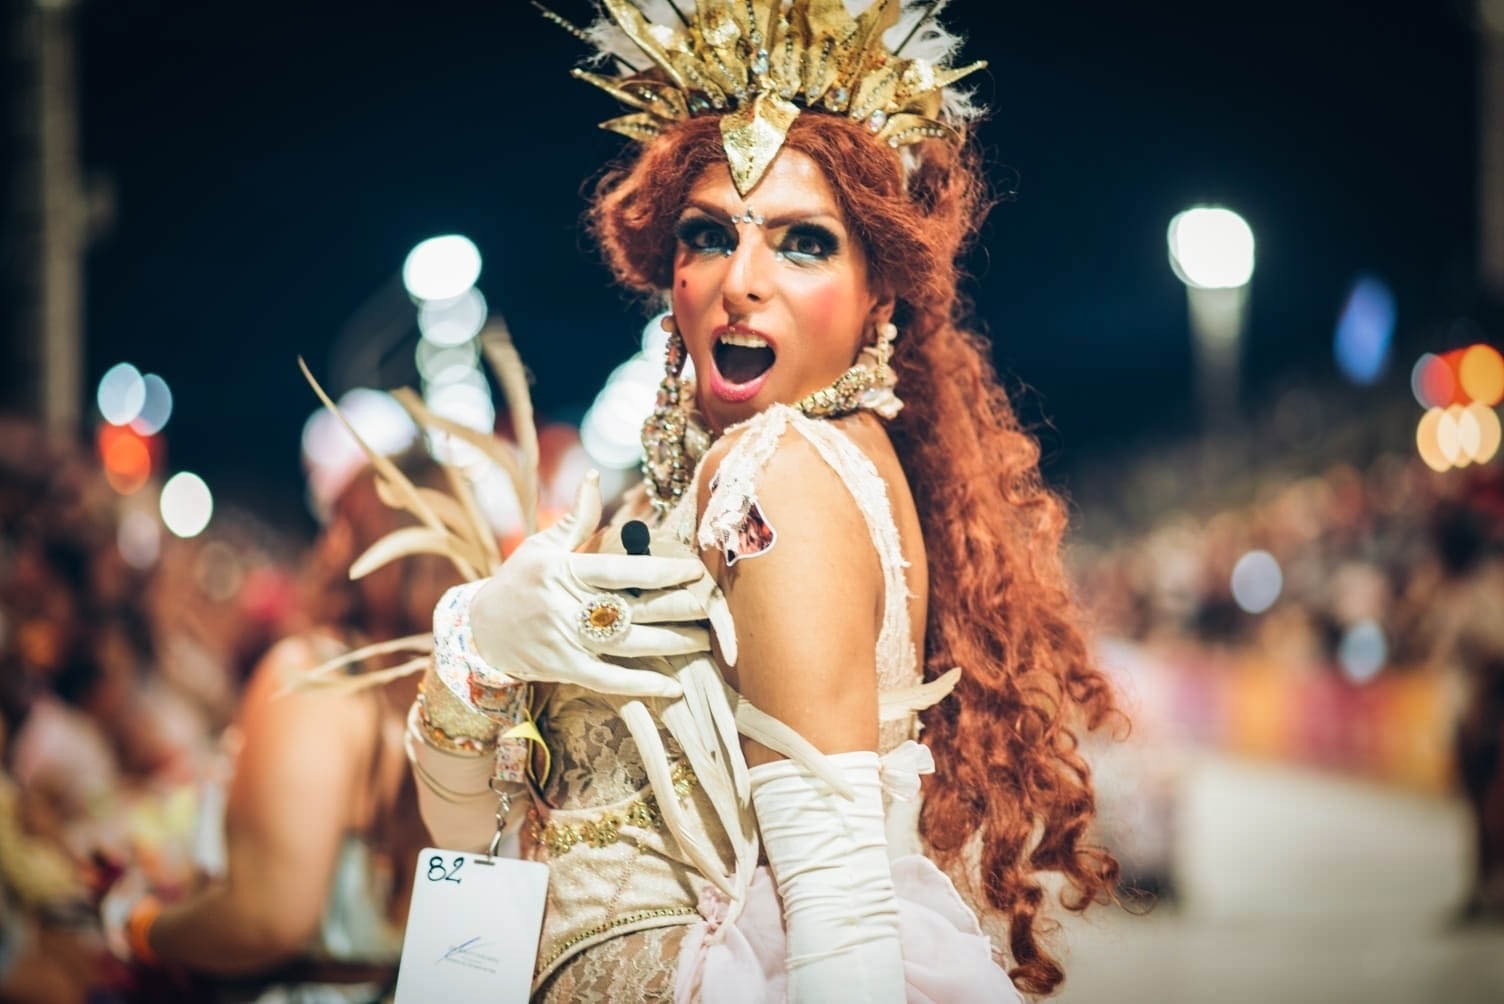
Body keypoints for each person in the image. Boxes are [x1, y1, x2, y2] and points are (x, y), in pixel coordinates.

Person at [402, 2, 1122, 1000]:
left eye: (803, 242)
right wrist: (477, 645)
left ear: (879, 293)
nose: (740, 281)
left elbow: (841, 921)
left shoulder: (777, 472)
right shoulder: (766, 467)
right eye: (708, 234)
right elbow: (478, 836)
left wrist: (472, 643)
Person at [105, 454, 457, 1001]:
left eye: (338, 524)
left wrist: (141, 928)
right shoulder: (464, 694)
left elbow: (265, 917)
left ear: (355, 543)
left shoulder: (317, 676)